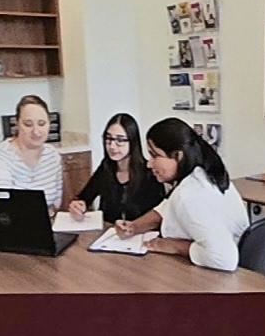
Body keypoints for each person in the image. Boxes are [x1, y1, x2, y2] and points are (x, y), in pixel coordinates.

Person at [116, 117, 248, 270]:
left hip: (221, 274)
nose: (149, 163)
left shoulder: (189, 196)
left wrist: (175, 246)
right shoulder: (202, 173)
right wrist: (134, 226)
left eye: (155, 155)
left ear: (178, 156)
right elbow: (167, 207)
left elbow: (224, 259)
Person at [67, 112, 161, 227]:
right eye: (108, 138)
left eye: (120, 140)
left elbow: (158, 215)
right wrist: (78, 205)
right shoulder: (106, 168)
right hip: (107, 234)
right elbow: (84, 197)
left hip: (139, 236)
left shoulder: (149, 173)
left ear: (132, 142)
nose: (112, 146)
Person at [0, 93, 65, 211]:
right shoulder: (1, 156)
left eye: (42, 124)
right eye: (28, 124)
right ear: (17, 124)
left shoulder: (52, 156)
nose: (36, 131)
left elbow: (55, 202)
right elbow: (1, 202)